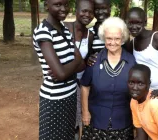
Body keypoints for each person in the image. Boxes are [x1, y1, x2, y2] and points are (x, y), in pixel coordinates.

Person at [32, 0, 84, 139]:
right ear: (46, 6)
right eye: (58, 4)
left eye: (66, 4)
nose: (63, 8)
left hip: (71, 94)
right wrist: (75, 61)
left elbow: (78, 66)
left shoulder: (65, 30)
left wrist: (69, 67)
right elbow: (61, 73)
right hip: (54, 99)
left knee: (68, 135)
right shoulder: (43, 32)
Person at [80, 17, 136, 140]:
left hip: (123, 122)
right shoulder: (94, 61)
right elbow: (84, 86)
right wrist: (85, 112)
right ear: (103, 38)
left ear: (123, 39)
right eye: (109, 38)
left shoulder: (131, 62)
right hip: (96, 121)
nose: (113, 42)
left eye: (117, 38)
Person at [126, 7, 158, 110]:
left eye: (138, 23)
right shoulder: (131, 44)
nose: (134, 27)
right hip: (146, 92)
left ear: (145, 22)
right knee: (149, 123)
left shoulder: (157, 38)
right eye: (130, 23)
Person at [64, 0, 94, 139]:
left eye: (90, 12)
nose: (87, 14)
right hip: (64, 82)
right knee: (67, 121)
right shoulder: (64, 28)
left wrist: (86, 62)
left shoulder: (90, 35)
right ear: (76, 11)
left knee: (79, 120)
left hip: (80, 83)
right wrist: (81, 62)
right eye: (83, 11)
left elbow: (84, 64)